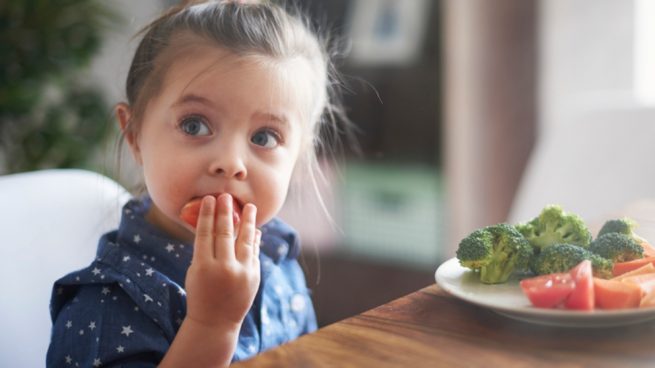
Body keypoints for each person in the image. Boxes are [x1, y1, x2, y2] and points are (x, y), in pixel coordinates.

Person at [47, 1, 349, 366]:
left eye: (265, 137)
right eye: (194, 126)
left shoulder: (277, 255)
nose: (231, 163)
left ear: (300, 160)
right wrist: (212, 325)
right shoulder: (104, 306)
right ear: (135, 135)